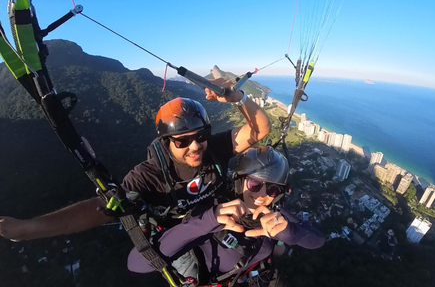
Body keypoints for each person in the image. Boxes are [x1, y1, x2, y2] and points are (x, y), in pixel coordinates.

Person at [0, 81, 270, 243]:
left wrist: (238, 99)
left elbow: (259, 130)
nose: (195, 145)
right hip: (185, 239)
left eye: (201, 135)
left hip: (225, 228)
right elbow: (101, 208)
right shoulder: (148, 176)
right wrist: (29, 228)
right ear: (165, 142)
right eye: (182, 141)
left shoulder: (215, 149)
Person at [128, 146, 325, 286]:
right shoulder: (213, 211)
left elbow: (317, 241)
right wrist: (207, 222)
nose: (262, 194)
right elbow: (137, 263)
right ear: (239, 181)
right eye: (254, 184)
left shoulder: (275, 215)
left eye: (272, 189)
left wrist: (290, 233)